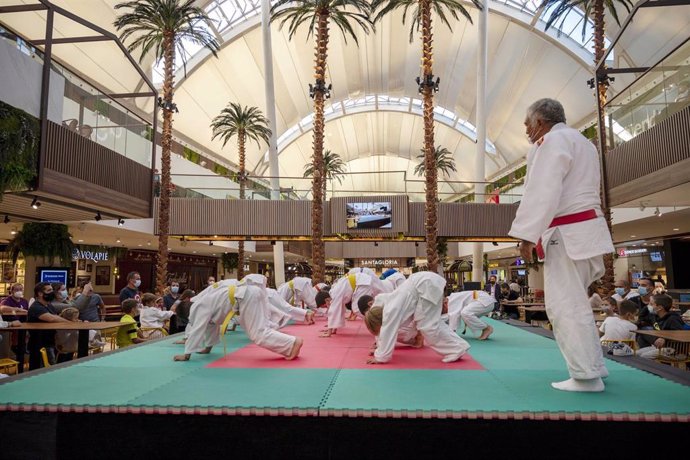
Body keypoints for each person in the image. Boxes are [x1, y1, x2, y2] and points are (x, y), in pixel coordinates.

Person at [508, 98, 614, 392]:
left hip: (567, 233)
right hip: (587, 231)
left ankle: (585, 376)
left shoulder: (551, 142)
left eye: (527, 125)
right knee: (577, 302)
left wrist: (527, 234)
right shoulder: (583, 142)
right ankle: (595, 366)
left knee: (564, 305)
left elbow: (543, 190)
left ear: (540, 123)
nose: (527, 131)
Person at [174, 275, 302, 361]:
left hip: (244, 297)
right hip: (251, 293)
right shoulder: (203, 302)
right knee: (262, 327)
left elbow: (197, 329)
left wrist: (186, 354)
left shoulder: (197, 307)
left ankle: (291, 343)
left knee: (257, 333)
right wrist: (207, 348)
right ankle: (290, 344)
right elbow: (211, 327)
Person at [363, 272, 470, 364]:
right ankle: (459, 345)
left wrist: (380, 356)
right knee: (433, 324)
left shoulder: (390, 311)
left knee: (427, 327)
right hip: (424, 284)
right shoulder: (385, 303)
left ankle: (455, 350)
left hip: (425, 286)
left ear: (379, 321)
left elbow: (387, 331)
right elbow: (384, 331)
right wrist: (379, 349)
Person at [320, 269, 390, 337]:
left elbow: (333, 310)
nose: (327, 305)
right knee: (359, 308)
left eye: (325, 304)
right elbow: (339, 310)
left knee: (357, 309)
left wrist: (329, 332)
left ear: (326, 299)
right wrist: (333, 329)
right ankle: (379, 319)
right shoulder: (335, 290)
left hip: (362, 282)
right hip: (362, 281)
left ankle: (377, 320)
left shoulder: (334, 293)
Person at [27, 282, 72, 369]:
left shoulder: (48, 305)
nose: (52, 292)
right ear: (40, 293)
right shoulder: (36, 307)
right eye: (49, 290)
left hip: (49, 342)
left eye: (52, 290)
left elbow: (56, 316)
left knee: (51, 366)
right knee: (41, 370)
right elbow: (52, 318)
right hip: (39, 344)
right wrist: (70, 323)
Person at [637, 294, 685, 359]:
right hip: (660, 346)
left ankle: (657, 368)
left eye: (651, 304)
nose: (648, 305)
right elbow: (640, 320)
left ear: (659, 308)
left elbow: (680, 334)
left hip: (674, 349)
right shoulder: (654, 316)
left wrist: (665, 338)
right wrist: (646, 307)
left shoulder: (673, 319)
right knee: (637, 353)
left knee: (644, 356)